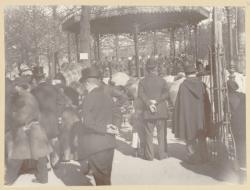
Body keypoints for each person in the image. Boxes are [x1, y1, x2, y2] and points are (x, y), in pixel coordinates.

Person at [5, 77, 52, 185]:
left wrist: (13, 116)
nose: (14, 88)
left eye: (15, 86)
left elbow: (22, 116)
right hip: (35, 128)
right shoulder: (30, 96)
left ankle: (8, 180)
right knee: (40, 155)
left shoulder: (23, 97)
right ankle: (43, 178)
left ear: (19, 87)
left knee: (17, 155)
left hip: (26, 128)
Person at [78, 66, 119, 185]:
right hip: (109, 143)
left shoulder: (88, 98)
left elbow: (87, 123)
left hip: (96, 146)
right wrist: (115, 126)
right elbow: (117, 113)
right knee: (106, 178)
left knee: (101, 181)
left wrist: (105, 128)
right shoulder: (107, 96)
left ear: (86, 83)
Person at [173, 64, 211, 164]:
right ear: (195, 72)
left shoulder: (183, 86)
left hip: (188, 117)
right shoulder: (201, 84)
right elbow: (207, 102)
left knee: (190, 138)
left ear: (185, 74)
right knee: (201, 137)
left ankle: (192, 158)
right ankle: (205, 157)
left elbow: (179, 103)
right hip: (200, 116)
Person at [31, 66, 66, 168]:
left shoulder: (34, 92)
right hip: (53, 118)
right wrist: (58, 114)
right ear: (44, 77)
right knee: (54, 139)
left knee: (42, 141)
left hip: (40, 120)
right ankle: (55, 161)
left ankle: (46, 165)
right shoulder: (54, 88)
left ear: (36, 79)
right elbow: (61, 102)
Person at [138, 58, 169, 161]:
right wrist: (157, 101)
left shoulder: (142, 82)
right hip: (160, 110)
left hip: (148, 111)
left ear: (147, 69)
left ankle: (149, 155)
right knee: (161, 134)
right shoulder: (162, 81)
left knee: (148, 134)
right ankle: (162, 154)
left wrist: (149, 103)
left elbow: (141, 95)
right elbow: (166, 94)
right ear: (156, 68)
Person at [227, 80, 246, 183]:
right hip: (245, 122)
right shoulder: (244, 95)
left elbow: (226, 113)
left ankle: (240, 166)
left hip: (236, 124)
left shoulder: (227, 98)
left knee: (237, 144)